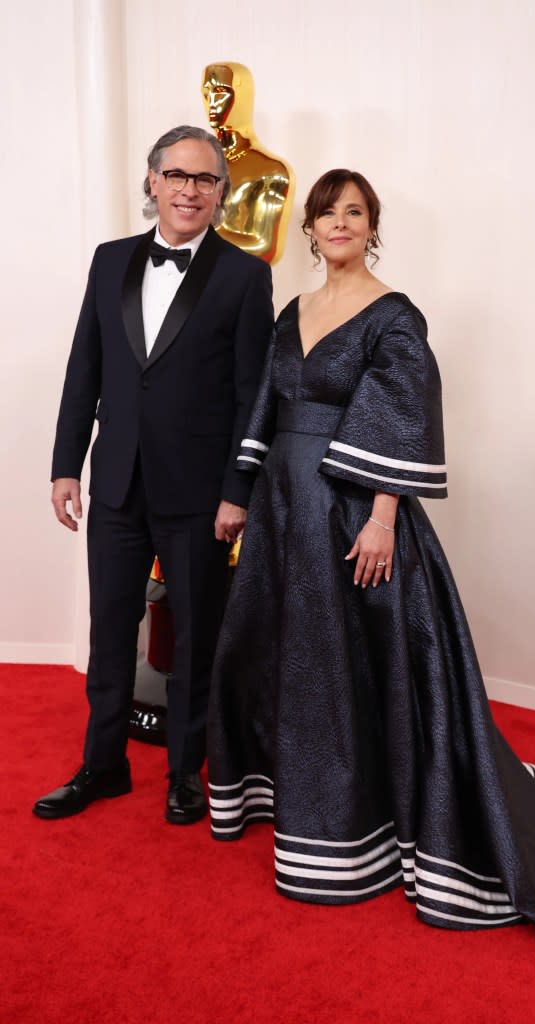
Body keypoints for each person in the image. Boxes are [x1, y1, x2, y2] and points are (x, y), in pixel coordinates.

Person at [207, 169, 535, 966]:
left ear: (371, 227)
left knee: (356, 667)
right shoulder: (293, 312)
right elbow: (266, 407)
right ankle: (308, 798)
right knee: (296, 660)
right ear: (311, 230)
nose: (339, 224)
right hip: (285, 513)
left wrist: (383, 518)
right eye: (326, 213)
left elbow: (402, 416)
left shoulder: (393, 315)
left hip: (351, 515)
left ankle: (361, 821)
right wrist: (239, 493)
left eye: (354, 212)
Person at [33, 125, 274, 825]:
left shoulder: (244, 275)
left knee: (197, 636)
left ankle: (184, 773)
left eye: (205, 180)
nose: (189, 190)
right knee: (110, 628)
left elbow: (252, 394)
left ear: (222, 195)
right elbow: (86, 367)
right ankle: (102, 766)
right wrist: (64, 465)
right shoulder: (109, 262)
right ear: (152, 182)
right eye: (178, 176)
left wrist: (239, 490)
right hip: (113, 482)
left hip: (201, 493)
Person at [201, 62, 294, 263]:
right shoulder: (194, 166)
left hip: (241, 286)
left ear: (242, 97)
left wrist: (198, 234)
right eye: (207, 93)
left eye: (221, 92)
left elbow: (265, 248)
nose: (212, 102)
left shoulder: (271, 170)